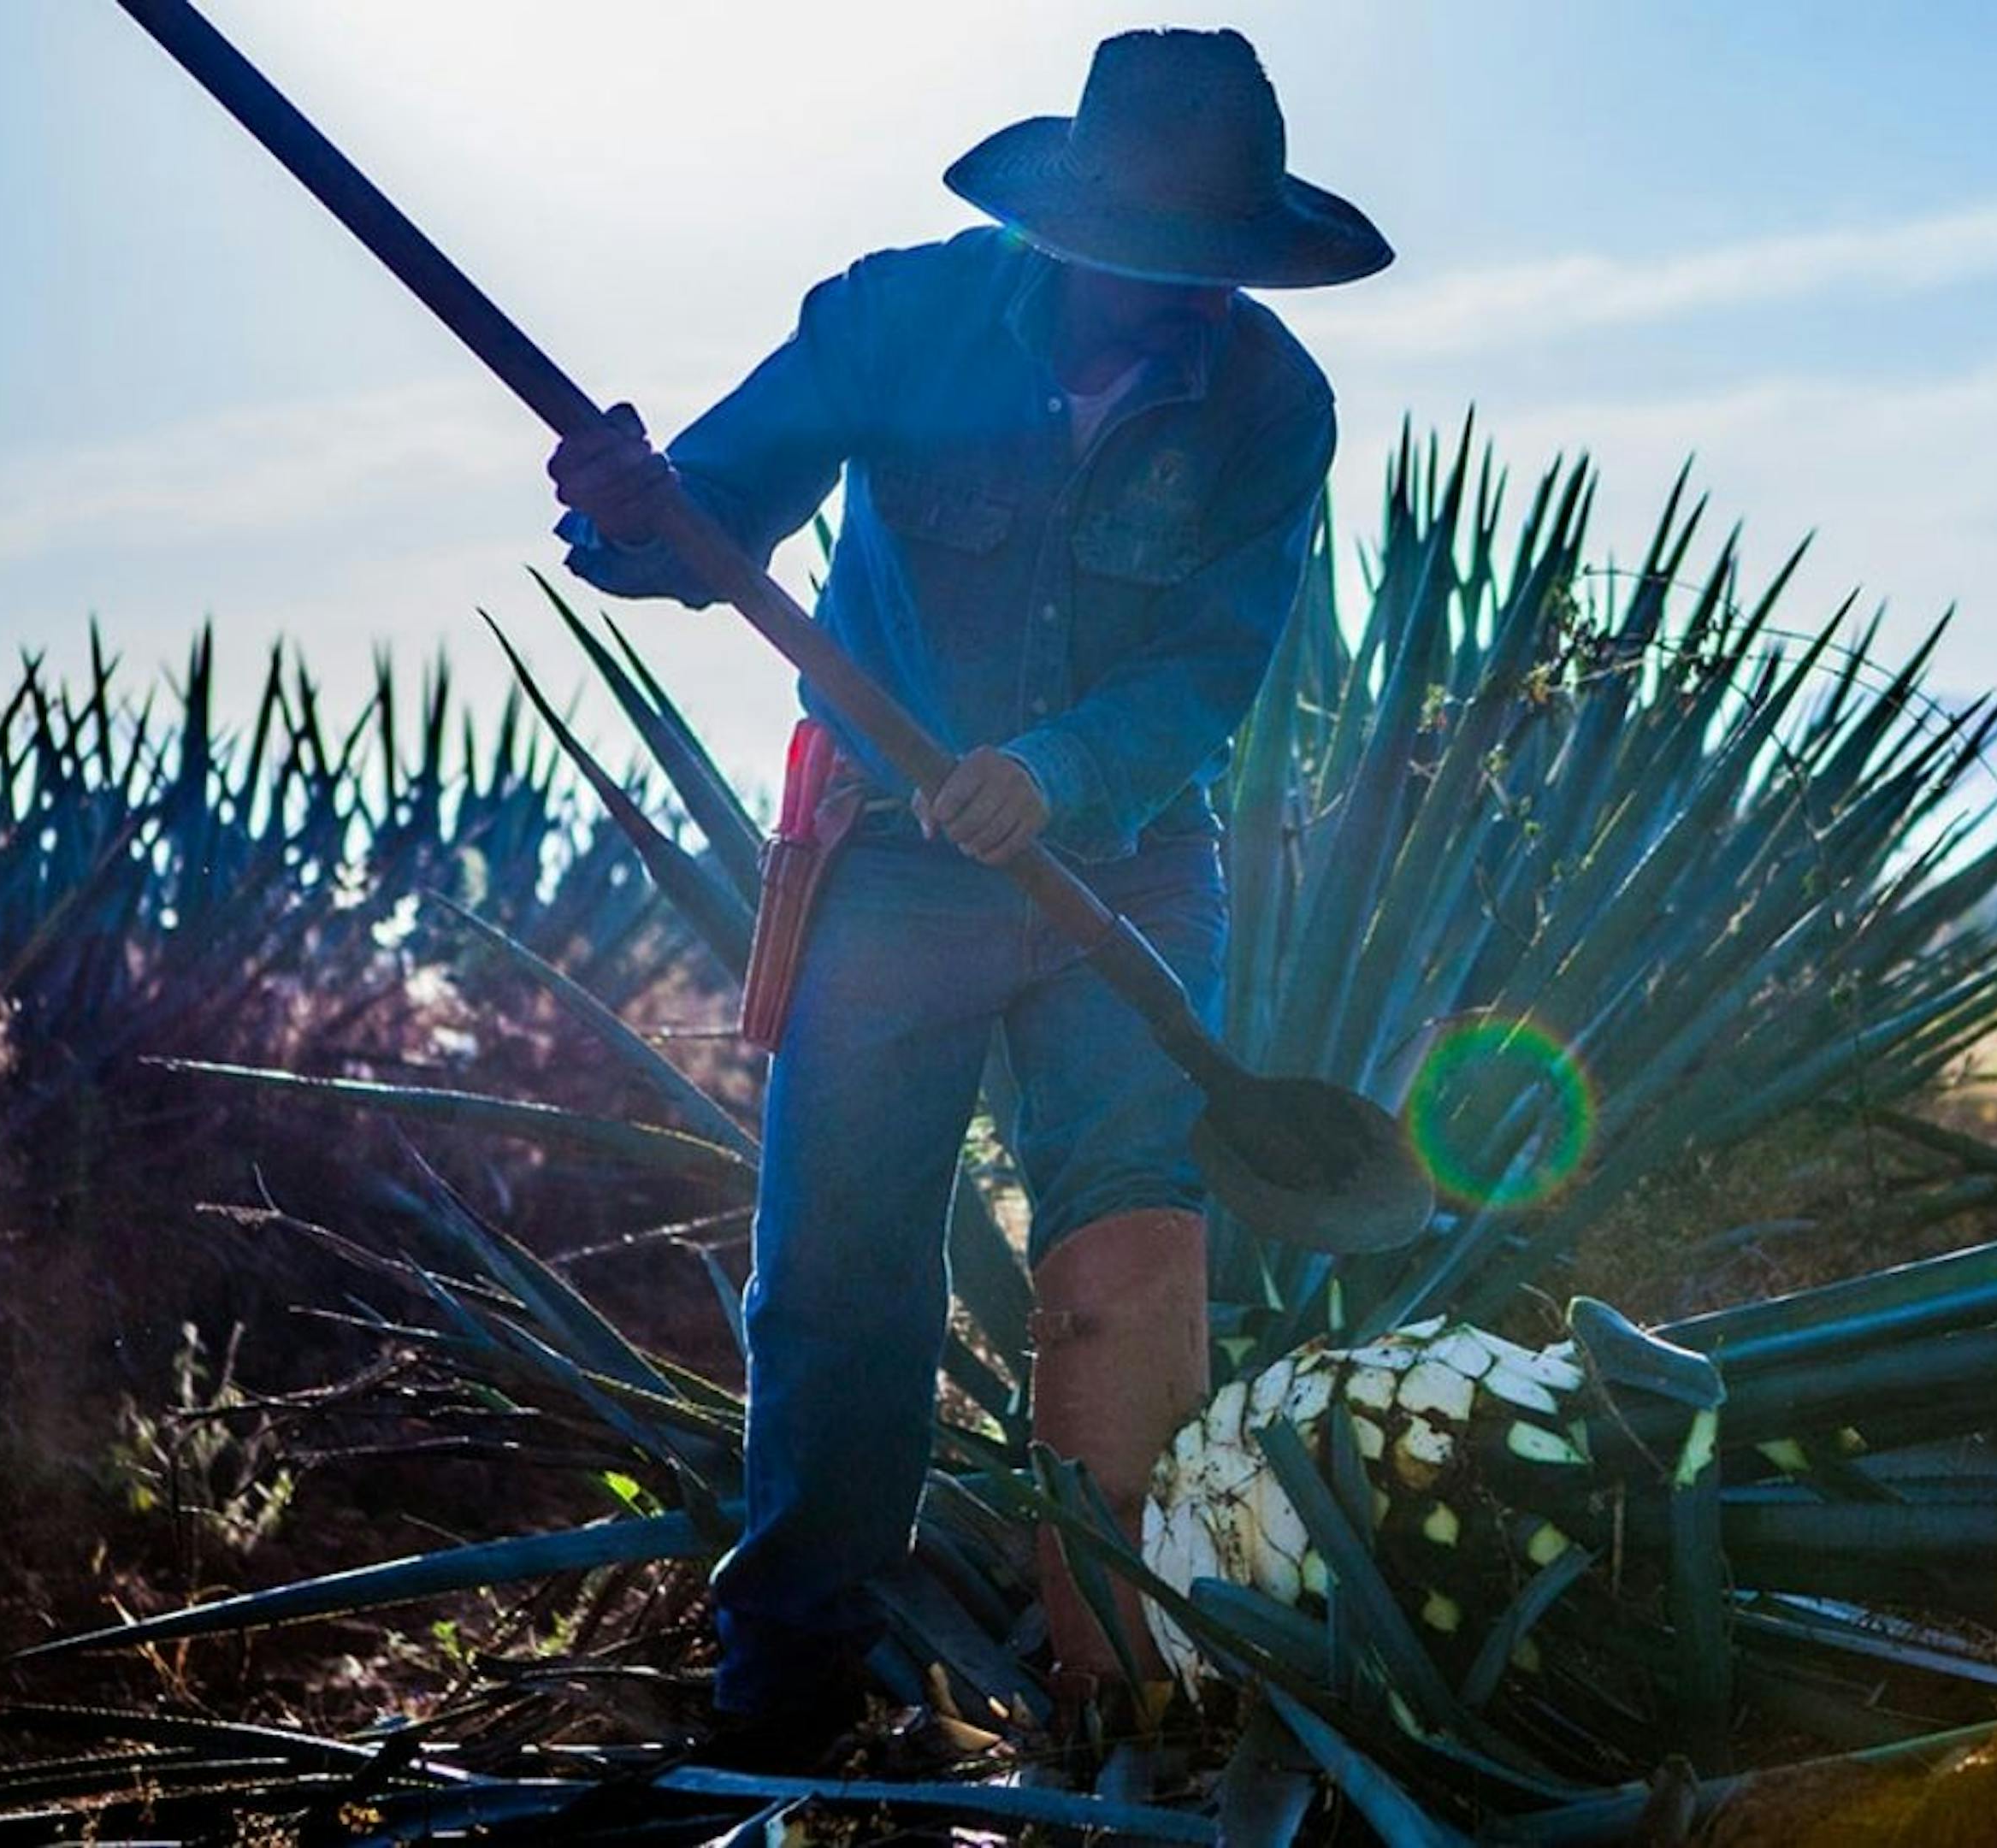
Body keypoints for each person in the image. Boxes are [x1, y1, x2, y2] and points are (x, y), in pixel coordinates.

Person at [545, 27, 1389, 1764]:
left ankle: (1125, 1691)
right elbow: (701, 517)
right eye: (1164, 263)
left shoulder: (1270, 400)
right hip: (887, 874)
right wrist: (637, 510)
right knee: (841, 1280)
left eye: (1216, 269)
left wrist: (1062, 770)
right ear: (1070, 223)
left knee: (1128, 1251)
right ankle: (788, 1697)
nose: (1189, 301)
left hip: (1131, 870)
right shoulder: (896, 319)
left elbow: (1220, 668)